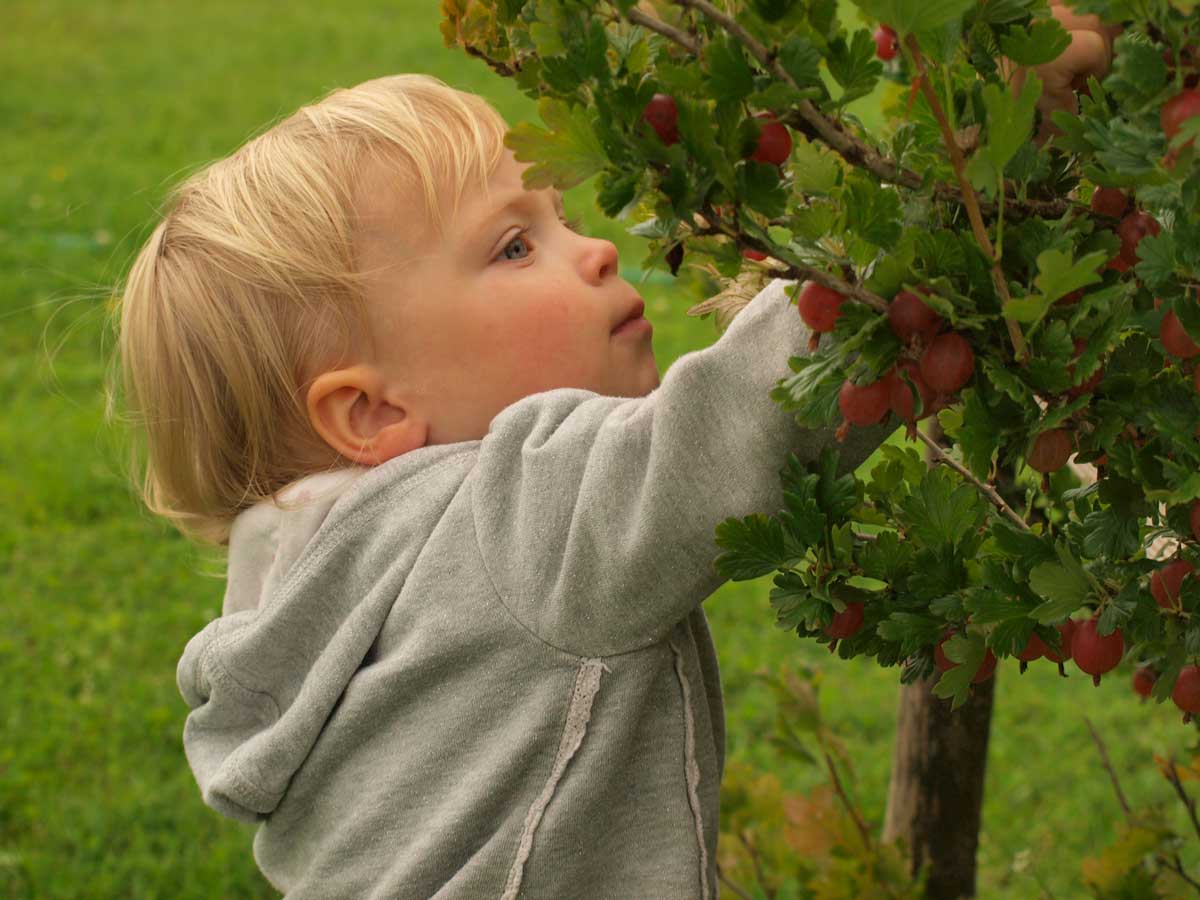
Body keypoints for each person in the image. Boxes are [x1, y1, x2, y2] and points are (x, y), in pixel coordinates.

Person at [114, 15, 1115, 895]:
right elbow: (745, 421)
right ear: (371, 413)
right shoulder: (510, 521)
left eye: (565, 221)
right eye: (514, 246)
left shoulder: (304, 600)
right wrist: (970, 158)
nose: (593, 252)